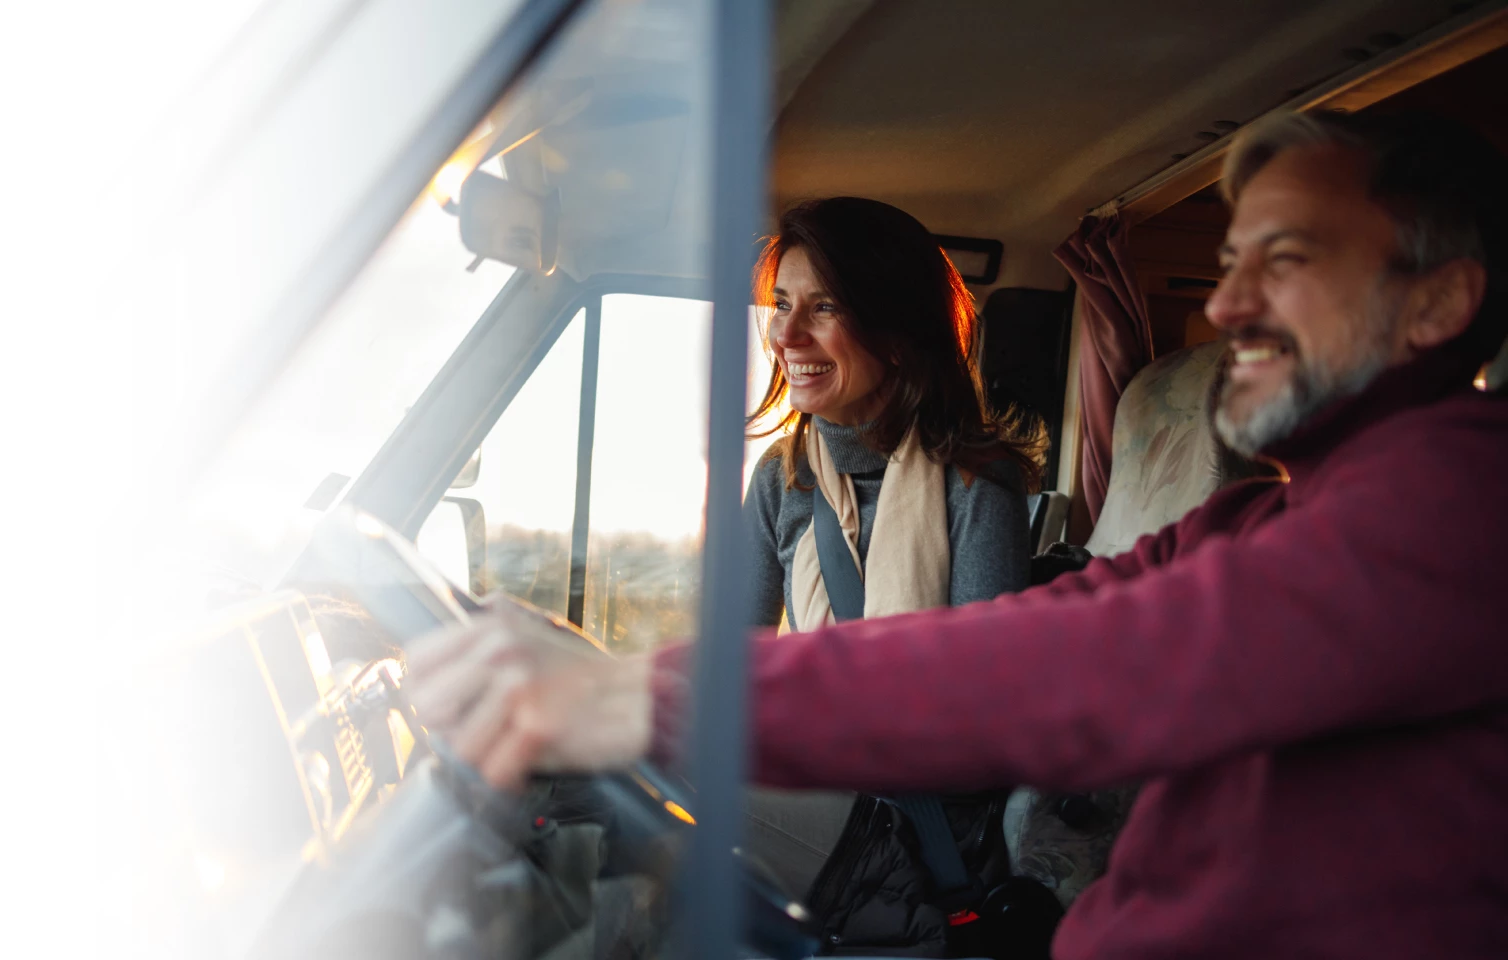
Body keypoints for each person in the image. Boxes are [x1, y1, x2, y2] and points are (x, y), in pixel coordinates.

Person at [405, 108, 1508, 959]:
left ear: (1438, 304)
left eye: (1289, 259)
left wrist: (633, 697)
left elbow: (1079, 668)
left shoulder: (1461, 504)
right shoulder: (1254, 517)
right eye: (1227, 265)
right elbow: (1066, 620)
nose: (1223, 311)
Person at [737, 197, 1042, 950]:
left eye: (825, 306)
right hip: (821, 795)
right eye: (781, 306)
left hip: (924, 831)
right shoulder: (782, 481)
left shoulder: (977, 486)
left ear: (899, 336)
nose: (787, 333)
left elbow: (981, 732)